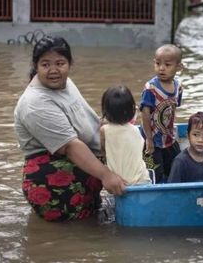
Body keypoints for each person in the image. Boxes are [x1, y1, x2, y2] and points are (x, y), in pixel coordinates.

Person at [14, 36, 126, 222]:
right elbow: (70, 146)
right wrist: (107, 175)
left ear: (70, 63)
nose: (54, 71)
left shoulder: (65, 83)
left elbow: (89, 122)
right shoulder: (34, 103)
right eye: (45, 65)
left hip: (84, 169)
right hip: (55, 185)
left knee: (93, 225)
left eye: (60, 63)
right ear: (36, 66)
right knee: (77, 235)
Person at [140, 44, 184, 183]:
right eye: (158, 64)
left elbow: (173, 109)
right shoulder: (151, 89)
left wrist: (171, 131)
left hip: (168, 138)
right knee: (155, 174)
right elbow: (145, 114)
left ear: (179, 67)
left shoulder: (178, 87)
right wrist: (149, 139)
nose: (161, 68)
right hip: (152, 140)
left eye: (167, 65)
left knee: (176, 168)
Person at [100, 85, 151, 185]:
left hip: (120, 184)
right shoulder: (135, 130)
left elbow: (103, 151)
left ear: (105, 111)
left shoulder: (104, 130)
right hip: (143, 180)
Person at [167, 111, 203, 183]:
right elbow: (171, 189)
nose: (200, 140)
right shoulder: (180, 162)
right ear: (188, 136)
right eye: (195, 134)